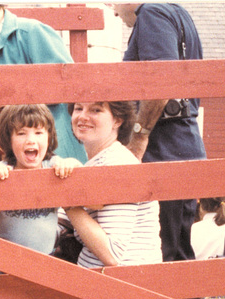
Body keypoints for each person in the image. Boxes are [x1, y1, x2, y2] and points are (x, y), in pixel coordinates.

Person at [0, 104, 80, 299]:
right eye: (21, 133)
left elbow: (78, 169)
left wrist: (71, 164)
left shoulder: (53, 166)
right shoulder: (4, 171)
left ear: (50, 137)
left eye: (38, 132)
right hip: (2, 261)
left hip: (39, 267)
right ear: (8, 141)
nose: (30, 139)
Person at [113, 3, 206, 263]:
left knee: (165, 250)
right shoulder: (175, 11)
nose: (113, 12)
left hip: (163, 145)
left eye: (112, 3)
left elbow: (161, 79)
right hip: (180, 142)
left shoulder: (152, 14)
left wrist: (139, 135)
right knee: (176, 245)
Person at [0, 5, 87, 165]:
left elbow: (70, 83)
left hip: (54, 154)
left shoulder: (31, 32)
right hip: (4, 159)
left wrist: (12, 99)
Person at [64, 101, 162, 269]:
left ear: (117, 120)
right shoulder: (98, 163)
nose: (82, 116)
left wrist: (67, 202)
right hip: (102, 283)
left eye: (96, 110)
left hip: (124, 285)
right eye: (78, 108)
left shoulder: (118, 165)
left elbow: (112, 253)